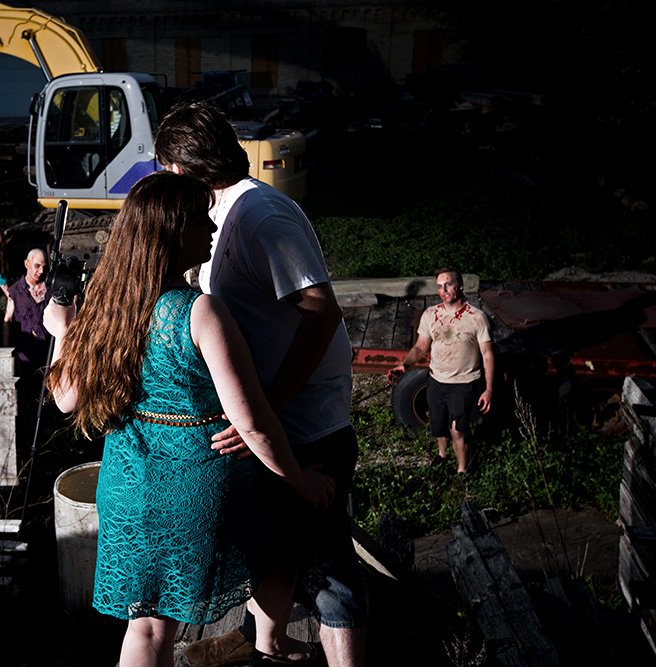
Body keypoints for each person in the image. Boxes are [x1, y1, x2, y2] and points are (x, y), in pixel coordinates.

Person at [43, 172, 335, 667]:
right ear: (176, 234)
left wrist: (62, 332)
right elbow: (255, 424)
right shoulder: (200, 314)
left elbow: (66, 400)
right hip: (193, 489)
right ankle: (270, 638)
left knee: (148, 625)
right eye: (202, 220)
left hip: (127, 485)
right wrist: (302, 481)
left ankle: (266, 640)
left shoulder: (106, 310)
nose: (213, 229)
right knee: (282, 528)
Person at [156, 101, 367, 667]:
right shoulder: (220, 215)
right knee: (272, 545)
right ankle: (261, 642)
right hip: (272, 422)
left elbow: (322, 312)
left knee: (328, 572)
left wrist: (267, 410)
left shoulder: (261, 215)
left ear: (177, 170)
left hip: (304, 422)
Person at [391, 268, 494, 474]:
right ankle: (442, 456)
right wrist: (405, 364)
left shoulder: (476, 317)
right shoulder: (431, 315)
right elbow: (420, 347)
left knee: (457, 431)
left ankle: (462, 471)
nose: (444, 290)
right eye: (439, 286)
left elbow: (488, 355)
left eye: (448, 284)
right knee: (438, 424)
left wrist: (488, 390)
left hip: (464, 383)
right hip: (436, 380)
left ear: (460, 286)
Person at [4, 248, 51, 371]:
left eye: (44, 267)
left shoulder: (51, 288)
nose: (41, 271)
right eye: (37, 266)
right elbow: (7, 320)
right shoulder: (15, 292)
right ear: (27, 264)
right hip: (25, 351)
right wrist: (6, 349)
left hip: (48, 351)